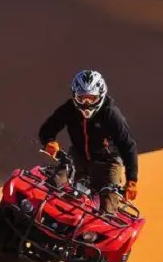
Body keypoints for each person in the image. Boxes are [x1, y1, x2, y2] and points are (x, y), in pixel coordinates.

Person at [37, 69, 139, 213]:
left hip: (108, 163)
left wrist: (132, 180)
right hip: (77, 157)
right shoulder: (69, 109)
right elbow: (46, 129)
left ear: (101, 95)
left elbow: (128, 146)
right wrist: (49, 141)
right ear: (74, 96)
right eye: (81, 97)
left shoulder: (111, 114)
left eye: (91, 98)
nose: (86, 103)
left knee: (108, 208)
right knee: (53, 186)